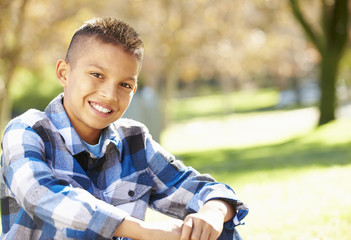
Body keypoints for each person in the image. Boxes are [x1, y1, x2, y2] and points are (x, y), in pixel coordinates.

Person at [0, 17, 248, 240]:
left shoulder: (134, 139)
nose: (109, 94)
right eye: (97, 74)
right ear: (64, 73)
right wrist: (141, 231)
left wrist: (213, 211)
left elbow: (199, 188)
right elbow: (38, 193)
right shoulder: (27, 130)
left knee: (216, 230)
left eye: (124, 85)